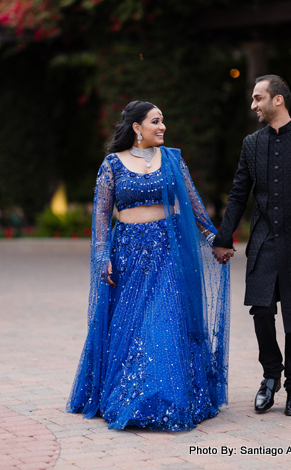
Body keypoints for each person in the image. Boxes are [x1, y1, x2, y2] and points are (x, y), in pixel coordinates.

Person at [67, 101, 230, 431]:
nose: (163, 127)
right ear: (137, 128)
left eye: (164, 121)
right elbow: (101, 216)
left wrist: (214, 238)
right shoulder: (112, 164)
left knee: (163, 321)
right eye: (156, 121)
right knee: (132, 326)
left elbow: (194, 202)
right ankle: (131, 394)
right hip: (128, 254)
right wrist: (102, 257)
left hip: (168, 253)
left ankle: (165, 398)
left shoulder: (172, 159)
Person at [213, 75, 291, 417]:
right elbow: (239, 193)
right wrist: (223, 239)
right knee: (262, 310)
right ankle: (271, 375)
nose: (254, 104)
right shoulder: (251, 144)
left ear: (278, 100)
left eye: (258, 98)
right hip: (264, 240)